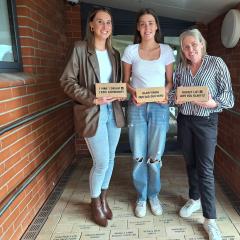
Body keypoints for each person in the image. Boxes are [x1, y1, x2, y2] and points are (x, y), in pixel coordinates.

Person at [60, 7, 125, 227]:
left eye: (108, 22)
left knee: (111, 159)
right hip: (92, 111)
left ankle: (104, 198)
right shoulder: (80, 49)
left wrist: (122, 92)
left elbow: (116, 85)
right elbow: (67, 81)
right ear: (91, 25)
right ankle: (95, 202)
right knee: (101, 161)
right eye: (100, 22)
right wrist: (92, 98)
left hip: (113, 112)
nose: (105, 26)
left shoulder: (114, 53)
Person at [170, 29, 234, 240]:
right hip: (185, 120)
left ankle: (210, 220)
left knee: (205, 169)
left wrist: (212, 102)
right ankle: (194, 198)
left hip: (206, 121)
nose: (190, 50)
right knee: (190, 162)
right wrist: (174, 99)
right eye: (186, 47)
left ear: (202, 43)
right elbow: (172, 95)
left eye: (193, 45)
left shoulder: (216, 63)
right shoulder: (180, 68)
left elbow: (228, 96)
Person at [122, 8, 175, 218]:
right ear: (138, 27)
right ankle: (141, 197)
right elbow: (125, 82)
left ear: (156, 26)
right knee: (138, 156)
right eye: (143, 23)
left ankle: (153, 195)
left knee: (155, 156)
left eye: (150, 23)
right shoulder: (130, 51)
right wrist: (132, 91)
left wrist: (166, 92)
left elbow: (169, 82)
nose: (147, 27)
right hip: (137, 106)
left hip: (159, 108)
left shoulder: (167, 50)